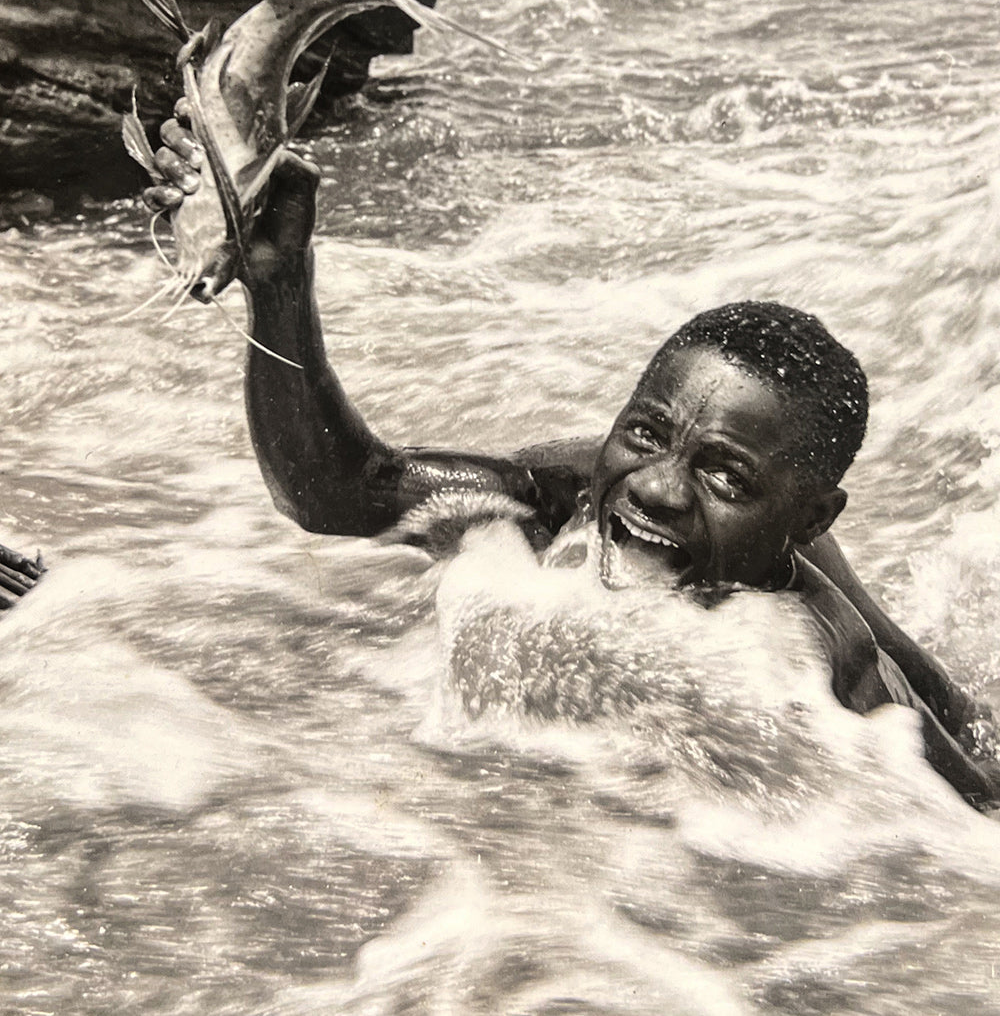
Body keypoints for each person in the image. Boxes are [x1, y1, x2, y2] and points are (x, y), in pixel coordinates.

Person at [152, 111, 1000, 809]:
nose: (658, 487)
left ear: (807, 518)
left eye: (723, 475)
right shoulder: (577, 489)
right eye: (643, 432)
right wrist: (279, 277)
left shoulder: (840, 687)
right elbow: (337, 490)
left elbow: (958, 849)